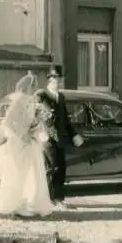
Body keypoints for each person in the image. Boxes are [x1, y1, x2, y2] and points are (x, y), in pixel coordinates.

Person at [0, 72, 55, 217]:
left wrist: (36, 127)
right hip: (19, 142)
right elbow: (7, 121)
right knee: (18, 173)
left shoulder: (32, 100)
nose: (34, 88)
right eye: (32, 85)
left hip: (30, 141)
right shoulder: (19, 100)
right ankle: (15, 205)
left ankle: (31, 204)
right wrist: (22, 134)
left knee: (34, 172)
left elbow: (32, 120)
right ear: (27, 86)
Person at [36, 69, 84, 210]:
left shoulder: (61, 97)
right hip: (47, 137)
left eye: (60, 79)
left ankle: (58, 199)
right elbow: (35, 114)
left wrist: (74, 134)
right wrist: (40, 131)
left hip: (60, 138)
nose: (59, 82)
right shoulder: (42, 95)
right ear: (50, 80)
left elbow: (65, 119)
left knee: (61, 167)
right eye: (56, 79)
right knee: (52, 167)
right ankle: (50, 199)